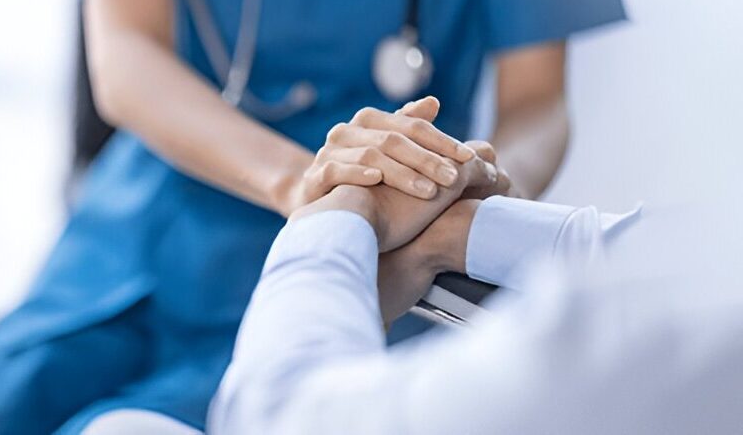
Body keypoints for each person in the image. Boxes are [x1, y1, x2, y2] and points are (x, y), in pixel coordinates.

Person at [0, 0, 624, 432]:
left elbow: (537, 104)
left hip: (381, 252)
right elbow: (124, 58)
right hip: (157, 220)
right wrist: (309, 186)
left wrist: (478, 188)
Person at [208, 169, 743, 434]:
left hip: (300, 324)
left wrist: (333, 215)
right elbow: (680, 253)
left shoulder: (664, 346)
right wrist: (460, 231)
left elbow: (279, 419)